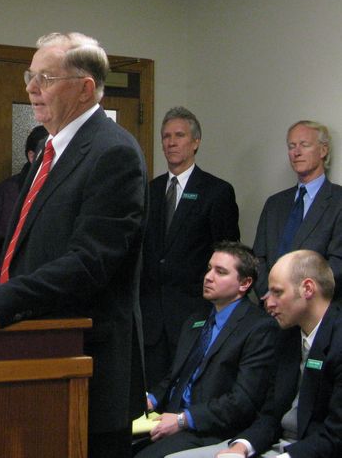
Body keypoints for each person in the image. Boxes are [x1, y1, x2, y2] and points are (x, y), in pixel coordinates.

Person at [0, 31, 147, 458]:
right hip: (35, 361)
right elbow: (23, 246)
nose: (30, 88)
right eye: (30, 75)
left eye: (46, 77)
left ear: (85, 88)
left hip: (83, 374)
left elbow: (88, 263)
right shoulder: (48, 148)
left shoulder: (114, 153)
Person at [167, 250, 342, 458]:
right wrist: (240, 448)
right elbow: (270, 415)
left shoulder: (337, 339)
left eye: (277, 292)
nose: (268, 302)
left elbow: (336, 436)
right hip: (274, 444)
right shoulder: (288, 337)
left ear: (307, 289)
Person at [135, 242, 278, 458]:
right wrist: (150, 399)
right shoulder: (196, 319)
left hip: (209, 428)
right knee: (110, 443)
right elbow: (175, 376)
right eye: (209, 268)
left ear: (245, 283)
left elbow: (242, 402)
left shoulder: (258, 328)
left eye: (220, 272)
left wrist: (183, 419)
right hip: (169, 417)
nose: (208, 277)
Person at [142, 106, 240, 387]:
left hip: (193, 314)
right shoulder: (150, 190)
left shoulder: (216, 191)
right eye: (166, 136)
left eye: (179, 135)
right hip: (151, 318)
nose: (171, 143)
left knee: (187, 393)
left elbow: (228, 254)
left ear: (195, 142)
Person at [253, 121, 342, 299]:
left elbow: (337, 263)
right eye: (292, 146)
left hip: (317, 310)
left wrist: (296, 297)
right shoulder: (274, 203)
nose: (296, 152)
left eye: (304, 145)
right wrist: (270, 294)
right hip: (271, 309)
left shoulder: (338, 200)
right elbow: (258, 258)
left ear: (323, 151)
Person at [0, 124, 48, 293]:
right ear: (32, 156)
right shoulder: (3, 196)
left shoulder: (70, 191)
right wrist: (1, 288)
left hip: (56, 295)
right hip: (6, 292)